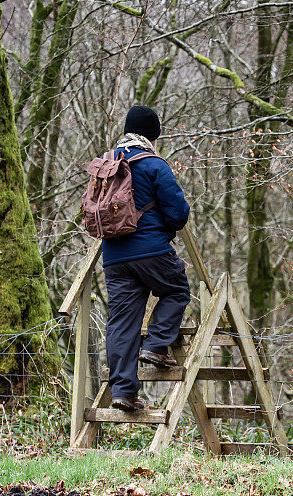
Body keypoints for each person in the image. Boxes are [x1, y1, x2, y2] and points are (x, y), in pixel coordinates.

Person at [102, 105, 191, 412]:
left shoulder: (107, 164)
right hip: (151, 251)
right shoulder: (154, 164)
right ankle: (155, 346)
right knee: (176, 290)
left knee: (122, 322)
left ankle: (123, 392)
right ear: (153, 136)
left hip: (113, 257)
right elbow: (178, 214)